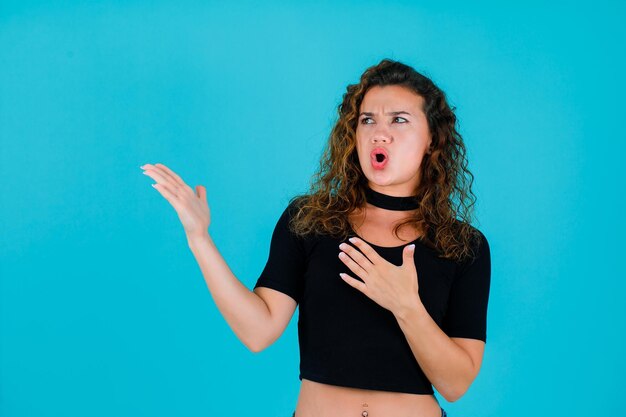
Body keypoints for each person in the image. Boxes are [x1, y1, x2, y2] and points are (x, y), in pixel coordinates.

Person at [140, 58, 491, 417]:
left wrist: (405, 304)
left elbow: (455, 383)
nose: (379, 133)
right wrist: (200, 238)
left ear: (432, 139)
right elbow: (257, 331)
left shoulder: (463, 246)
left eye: (399, 119)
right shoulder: (309, 221)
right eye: (367, 119)